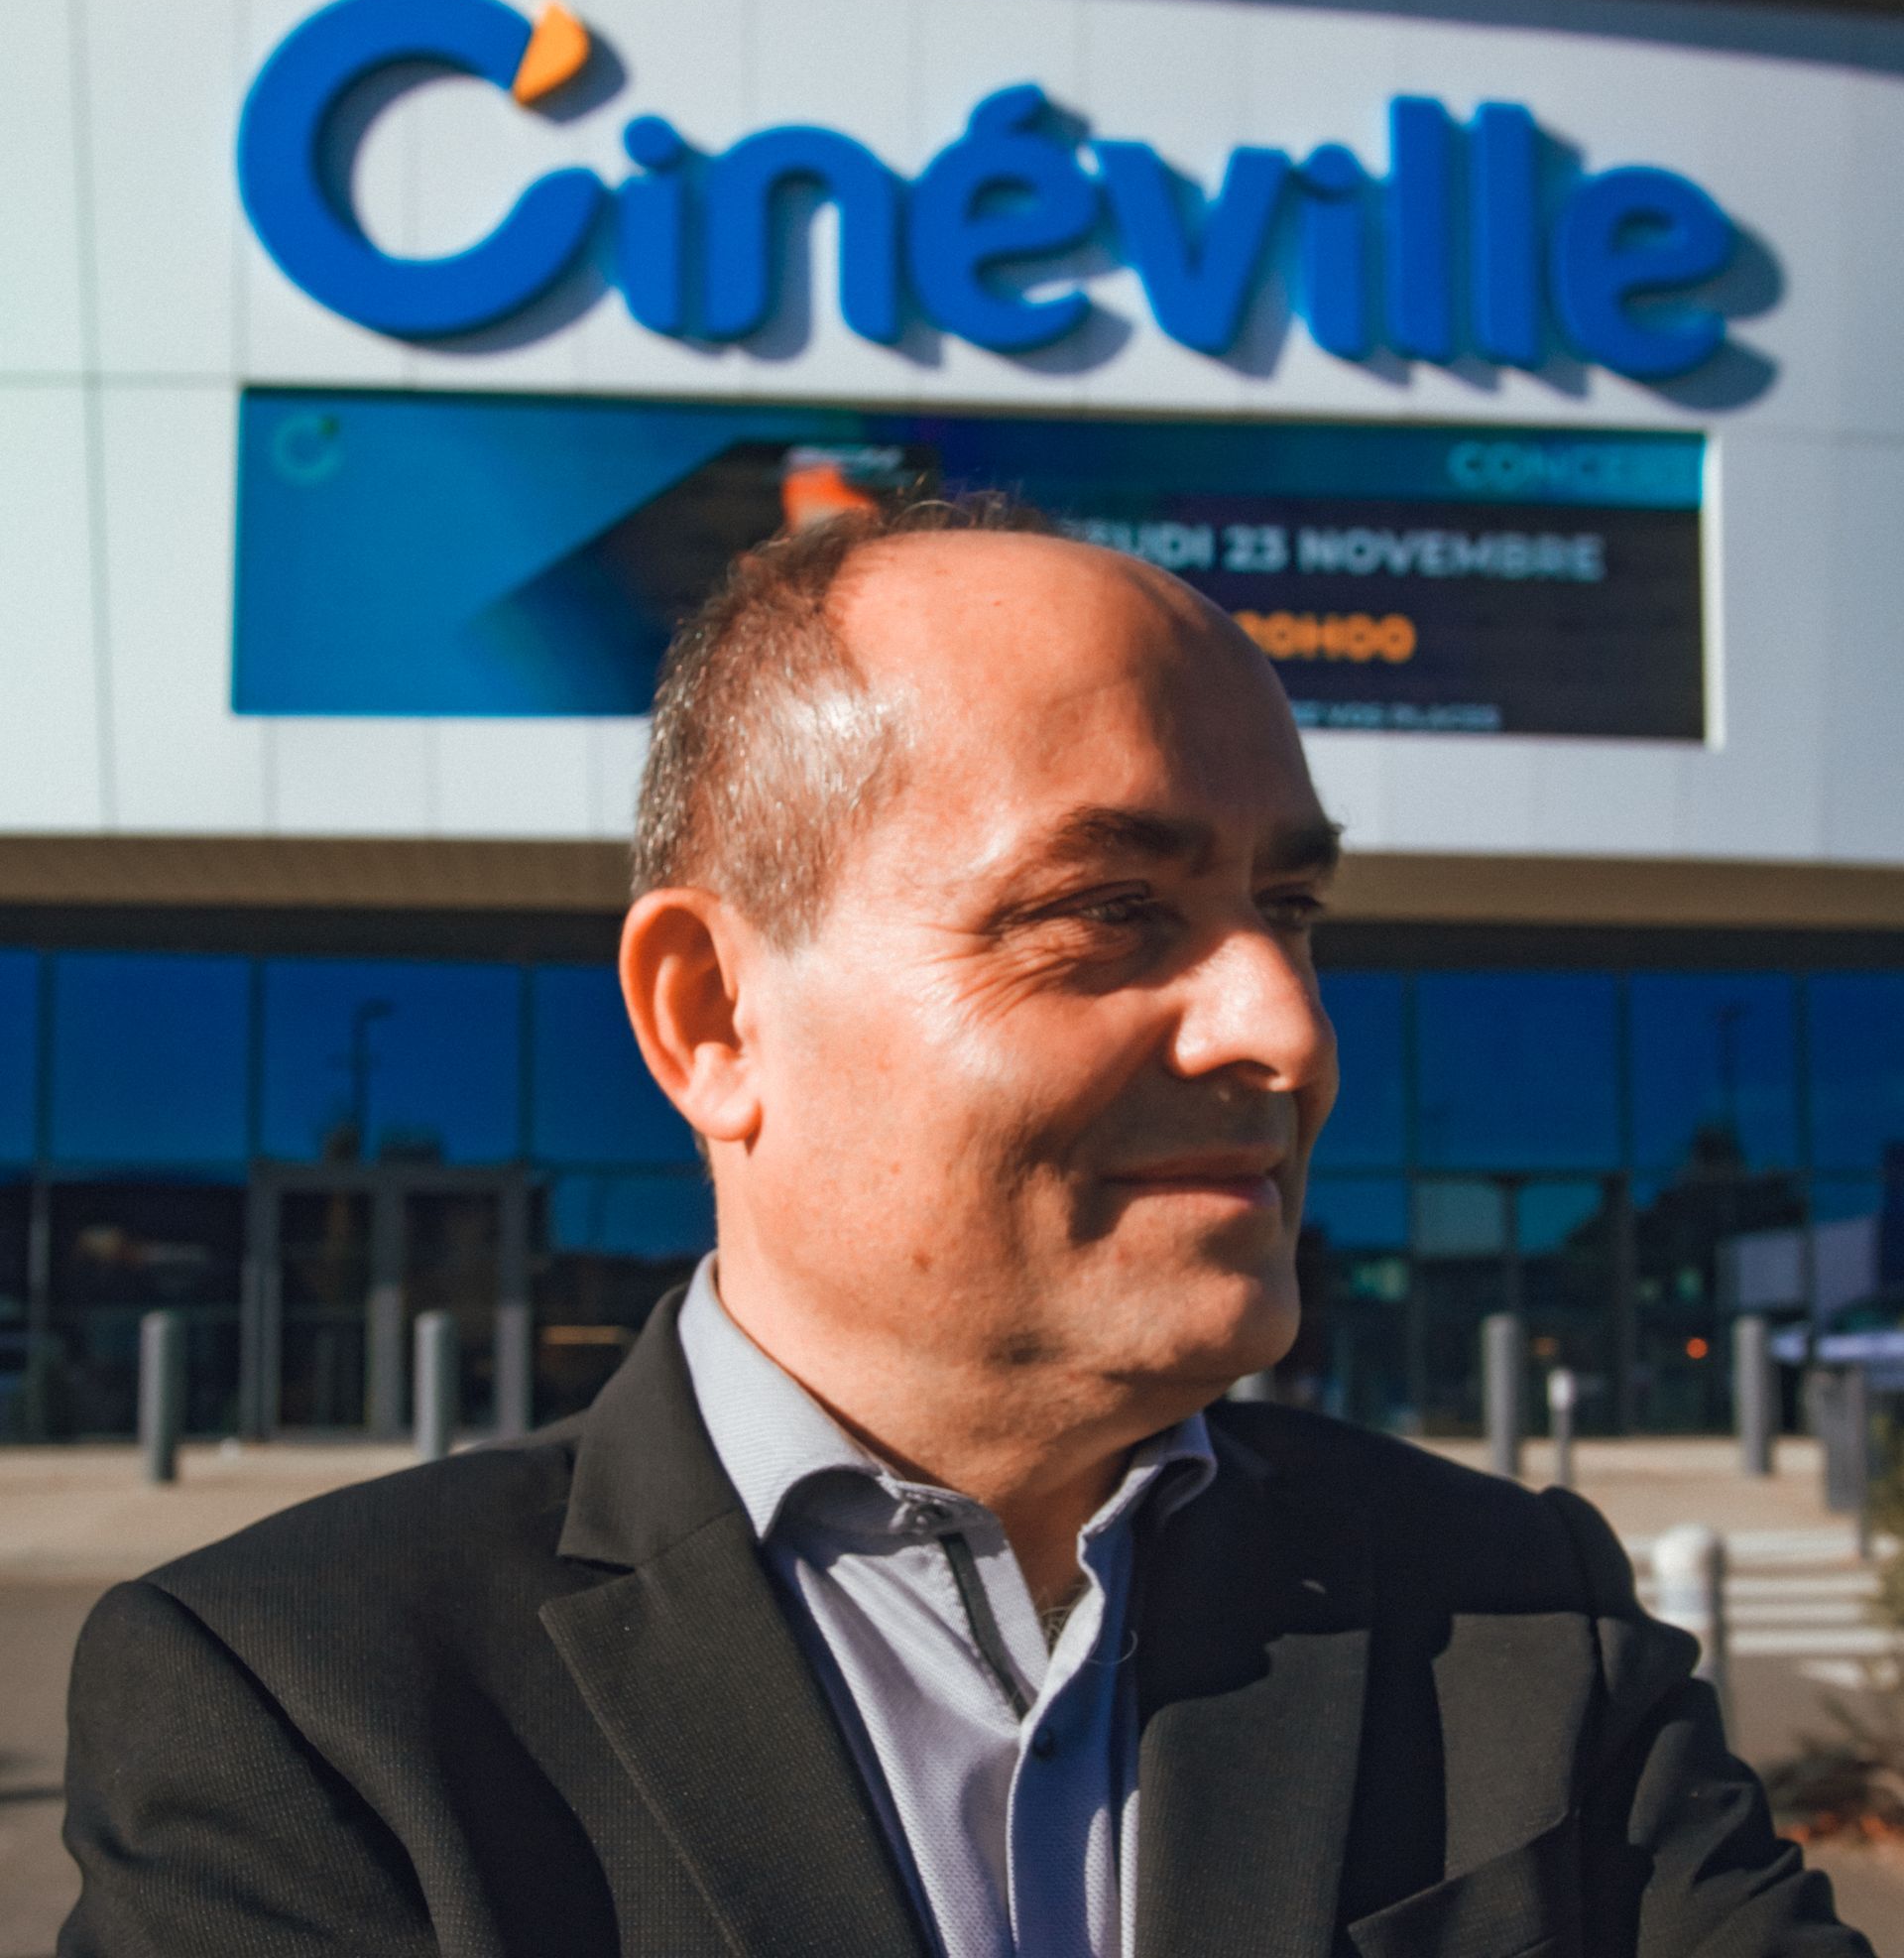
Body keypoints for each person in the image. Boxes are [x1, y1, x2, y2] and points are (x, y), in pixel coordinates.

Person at [61, 498, 1868, 1958]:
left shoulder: (1511, 1616)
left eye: (1290, 904)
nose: (1287, 1030)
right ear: (713, 1017)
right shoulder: (312, 1702)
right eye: (1104, 911)